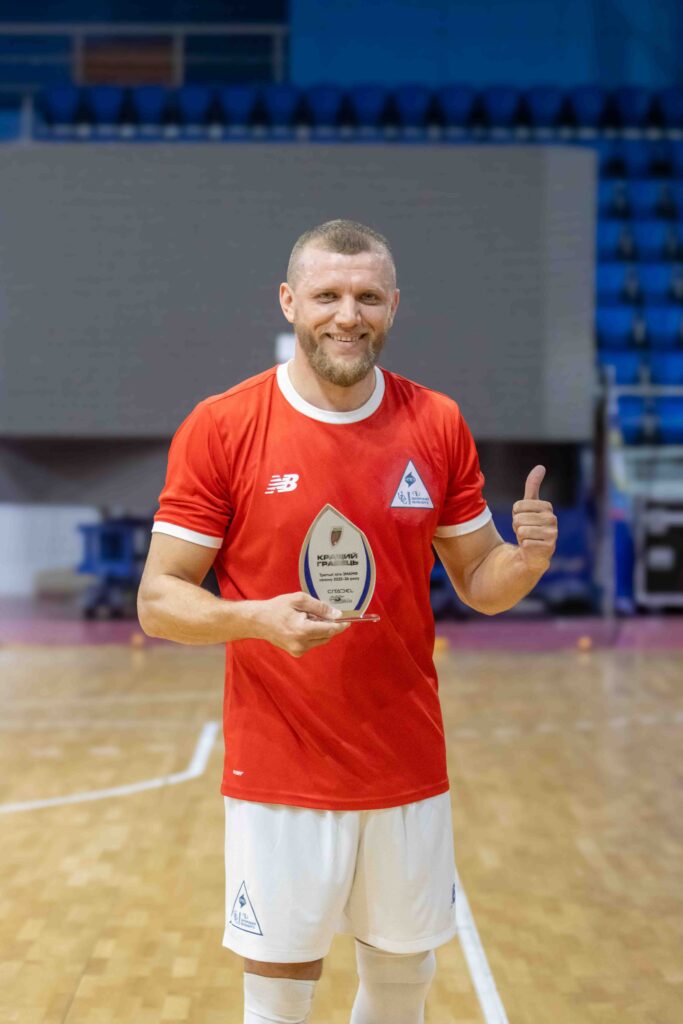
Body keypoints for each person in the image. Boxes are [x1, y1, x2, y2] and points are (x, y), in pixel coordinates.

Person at [137, 219, 558, 1024]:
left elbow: (480, 581)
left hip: (405, 761)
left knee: (403, 982)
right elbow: (159, 600)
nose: (346, 315)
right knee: (280, 993)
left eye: (366, 297)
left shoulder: (435, 421)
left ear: (392, 306)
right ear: (289, 302)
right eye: (326, 295)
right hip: (279, 769)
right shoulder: (224, 425)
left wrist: (526, 560)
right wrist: (257, 619)